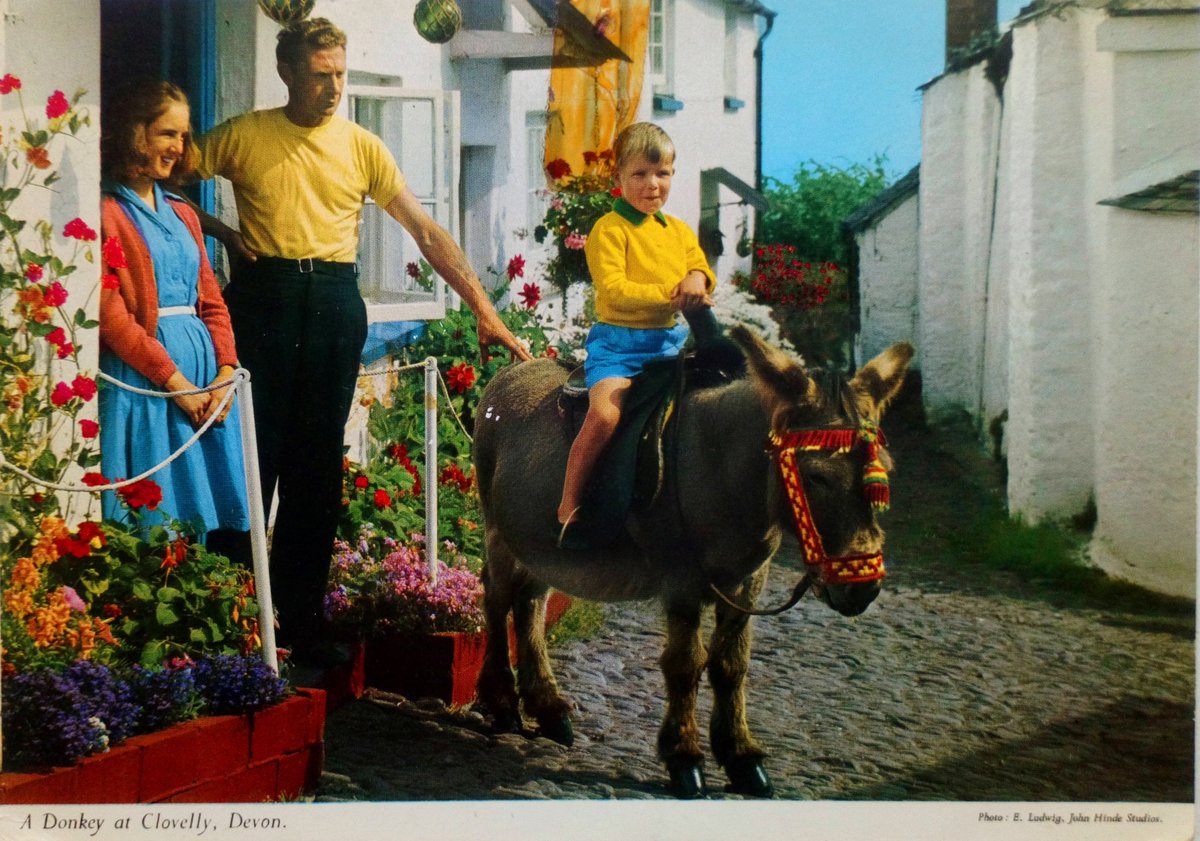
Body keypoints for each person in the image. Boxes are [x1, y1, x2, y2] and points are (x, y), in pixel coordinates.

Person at [193, 18, 532, 666]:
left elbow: (426, 230)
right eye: (321, 75)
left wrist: (484, 309)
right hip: (263, 299)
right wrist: (219, 231)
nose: (333, 88)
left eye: (341, 75)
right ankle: (230, 626)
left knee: (316, 470)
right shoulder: (245, 135)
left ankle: (297, 630)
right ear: (288, 71)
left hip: (332, 304)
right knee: (249, 464)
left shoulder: (361, 147)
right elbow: (165, 177)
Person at [98, 80, 249, 560]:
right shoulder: (108, 212)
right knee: (155, 519)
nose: (177, 148)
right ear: (136, 133)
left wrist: (225, 371)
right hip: (151, 384)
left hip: (206, 385)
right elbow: (113, 317)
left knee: (201, 523)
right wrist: (177, 383)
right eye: (167, 133)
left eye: (183, 137)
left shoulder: (183, 212)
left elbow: (212, 301)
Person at [556, 122, 715, 548]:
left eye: (661, 173)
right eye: (640, 175)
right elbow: (615, 292)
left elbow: (698, 265)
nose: (652, 185)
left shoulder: (678, 230)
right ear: (619, 179)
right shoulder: (610, 230)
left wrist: (698, 279)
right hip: (619, 347)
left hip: (668, 346)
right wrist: (673, 294)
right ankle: (569, 505)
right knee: (606, 414)